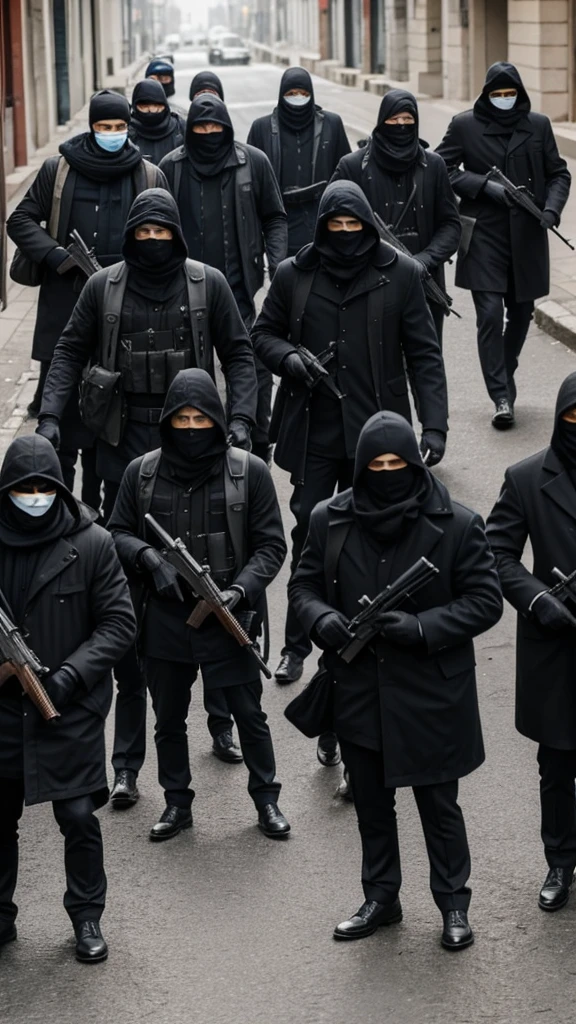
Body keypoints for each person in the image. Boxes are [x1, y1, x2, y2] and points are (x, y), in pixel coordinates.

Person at [36, 188, 257, 793]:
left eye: (164, 233)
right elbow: (68, 350)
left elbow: (239, 354)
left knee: (208, 588)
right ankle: (127, 763)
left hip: (201, 446)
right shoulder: (102, 287)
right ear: (130, 235)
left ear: (177, 235)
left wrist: (238, 422)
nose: (152, 243)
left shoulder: (206, 284)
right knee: (126, 611)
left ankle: (219, 721)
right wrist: (50, 415)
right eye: (144, 234)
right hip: (123, 448)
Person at [289, 411, 502, 948]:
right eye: (377, 464)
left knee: (438, 806)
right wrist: (321, 620)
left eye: (398, 463)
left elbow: (485, 601)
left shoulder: (458, 522)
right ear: (361, 468)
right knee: (371, 805)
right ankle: (381, 897)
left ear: (413, 464)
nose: (387, 472)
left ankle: (454, 905)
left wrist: (422, 626)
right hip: (359, 686)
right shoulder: (327, 519)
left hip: (432, 690)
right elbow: (303, 587)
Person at [252, 180, 448, 691]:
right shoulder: (295, 274)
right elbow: (262, 335)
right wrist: (290, 359)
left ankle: (383, 636)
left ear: (367, 223)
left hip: (379, 436)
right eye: (334, 225)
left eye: (353, 224)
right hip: (314, 432)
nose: (344, 233)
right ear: (321, 226)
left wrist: (435, 424)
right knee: (308, 536)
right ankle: (297, 647)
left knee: (386, 537)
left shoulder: (400, 273)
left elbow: (424, 353)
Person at [108, 368, 290, 842]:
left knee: (248, 715)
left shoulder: (248, 472)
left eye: (201, 418)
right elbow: (118, 533)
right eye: (182, 418)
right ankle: (176, 803)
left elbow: (271, 546)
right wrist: (150, 559)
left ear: (217, 418)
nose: (191, 428)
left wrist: (240, 590)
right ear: (169, 420)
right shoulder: (141, 472)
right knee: (168, 719)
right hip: (165, 619)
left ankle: (267, 799)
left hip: (228, 617)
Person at [0, 435, 136, 963]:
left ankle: (86, 918)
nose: (33, 496)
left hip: (69, 713)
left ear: (59, 488)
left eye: (43, 487)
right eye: (22, 489)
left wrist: (70, 678)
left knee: (78, 816)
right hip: (5, 715)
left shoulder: (94, 543)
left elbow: (118, 624)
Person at [7, 88, 166, 504]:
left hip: (123, 315)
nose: (111, 134)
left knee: (110, 424)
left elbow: (164, 236)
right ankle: (61, 504)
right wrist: (58, 256)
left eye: (118, 127)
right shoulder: (58, 170)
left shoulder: (147, 175)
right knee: (59, 417)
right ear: (91, 126)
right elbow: (20, 220)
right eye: (103, 127)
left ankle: (98, 513)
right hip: (65, 310)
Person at [436, 62, 570, 428]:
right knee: (491, 314)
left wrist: (551, 210)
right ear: (486, 95)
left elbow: (558, 173)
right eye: (497, 94)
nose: (504, 100)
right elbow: (440, 168)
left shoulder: (538, 125)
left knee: (522, 312)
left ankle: (504, 373)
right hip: (483, 235)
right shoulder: (465, 125)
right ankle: (500, 396)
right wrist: (483, 187)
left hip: (527, 235)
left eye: (510, 94)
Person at [486, 371, 576, 913]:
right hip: (555, 643)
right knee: (557, 761)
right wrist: (540, 599)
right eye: (572, 418)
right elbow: (495, 553)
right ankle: (560, 860)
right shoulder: (524, 479)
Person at [159, 94, 287, 462]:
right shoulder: (173, 166)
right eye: (201, 127)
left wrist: (275, 268)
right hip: (186, 291)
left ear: (227, 127)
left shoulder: (253, 162)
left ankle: (255, 442)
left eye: (215, 126)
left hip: (240, 289)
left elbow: (275, 218)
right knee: (190, 372)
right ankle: (194, 447)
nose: (209, 132)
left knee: (251, 365)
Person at [331, 89, 460, 345]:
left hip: (424, 283)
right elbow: (331, 223)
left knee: (426, 363)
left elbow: (451, 225)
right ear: (382, 121)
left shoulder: (433, 165)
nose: (401, 126)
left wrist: (426, 259)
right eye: (394, 120)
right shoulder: (353, 166)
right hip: (369, 284)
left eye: (407, 120)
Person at [248, 66, 351, 257]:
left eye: (303, 93)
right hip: (279, 221)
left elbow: (345, 174)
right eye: (291, 93)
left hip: (322, 217)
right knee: (285, 278)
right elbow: (251, 181)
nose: (297, 98)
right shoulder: (261, 128)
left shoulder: (331, 124)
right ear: (281, 94)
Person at [129, 78, 185, 166]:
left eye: (156, 105)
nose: (151, 110)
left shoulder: (179, 128)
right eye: (144, 106)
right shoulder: (126, 132)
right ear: (135, 106)